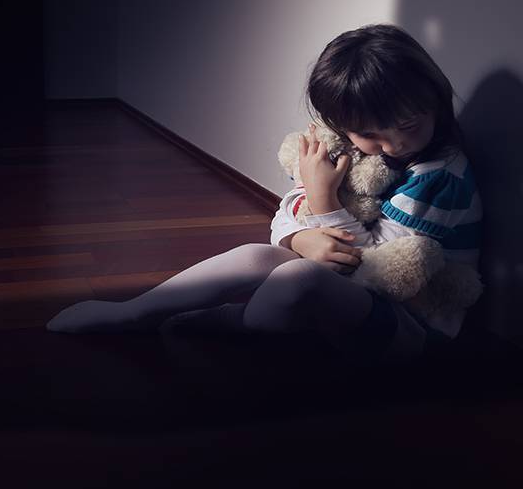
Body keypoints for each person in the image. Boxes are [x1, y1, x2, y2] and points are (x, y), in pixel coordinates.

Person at [46, 24, 481, 365]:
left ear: (435, 101)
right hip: (349, 300)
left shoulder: (440, 176)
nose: (393, 145)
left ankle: (237, 327)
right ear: (342, 127)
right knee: (257, 255)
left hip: (410, 327)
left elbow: (383, 274)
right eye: (369, 134)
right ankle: (136, 311)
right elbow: (285, 215)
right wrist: (298, 237)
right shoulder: (345, 150)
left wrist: (324, 201)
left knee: (300, 277)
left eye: (408, 126)